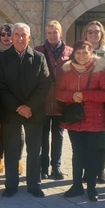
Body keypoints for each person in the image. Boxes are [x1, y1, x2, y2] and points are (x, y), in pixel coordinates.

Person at [0, 23, 50, 198]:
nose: (19, 38)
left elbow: (45, 84)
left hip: (34, 111)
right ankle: (11, 184)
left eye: (23, 35)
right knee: (11, 149)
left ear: (29, 37)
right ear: (11, 37)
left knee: (34, 150)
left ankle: (34, 184)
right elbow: (1, 87)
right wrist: (19, 107)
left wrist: (29, 106)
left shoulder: (39, 58)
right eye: (16, 34)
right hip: (11, 112)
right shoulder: (2, 59)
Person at [55, 40, 105, 202]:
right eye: (78, 53)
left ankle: (92, 188)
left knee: (92, 155)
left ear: (91, 53)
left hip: (94, 119)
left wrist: (85, 95)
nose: (81, 56)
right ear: (74, 54)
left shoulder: (99, 70)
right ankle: (76, 185)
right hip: (74, 119)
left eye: (85, 53)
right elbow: (59, 92)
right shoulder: (67, 70)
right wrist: (72, 96)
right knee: (77, 154)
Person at [35, 20, 73, 181]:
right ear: (46, 34)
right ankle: (43, 167)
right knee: (43, 136)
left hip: (60, 101)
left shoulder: (70, 52)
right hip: (43, 100)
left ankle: (55, 167)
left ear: (60, 33)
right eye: (49, 32)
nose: (52, 35)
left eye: (55, 32)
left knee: (58, 135)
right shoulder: (38, 51)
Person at [83, 20, 105, 185]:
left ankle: (100, 170)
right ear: (86, 34)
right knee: (87, 137)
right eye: (90, 32)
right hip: (86, 100)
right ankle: (87, 170)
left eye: (96, 31)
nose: (93, 34)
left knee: (102, 137)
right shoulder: (81, 51)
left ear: (101, 33)